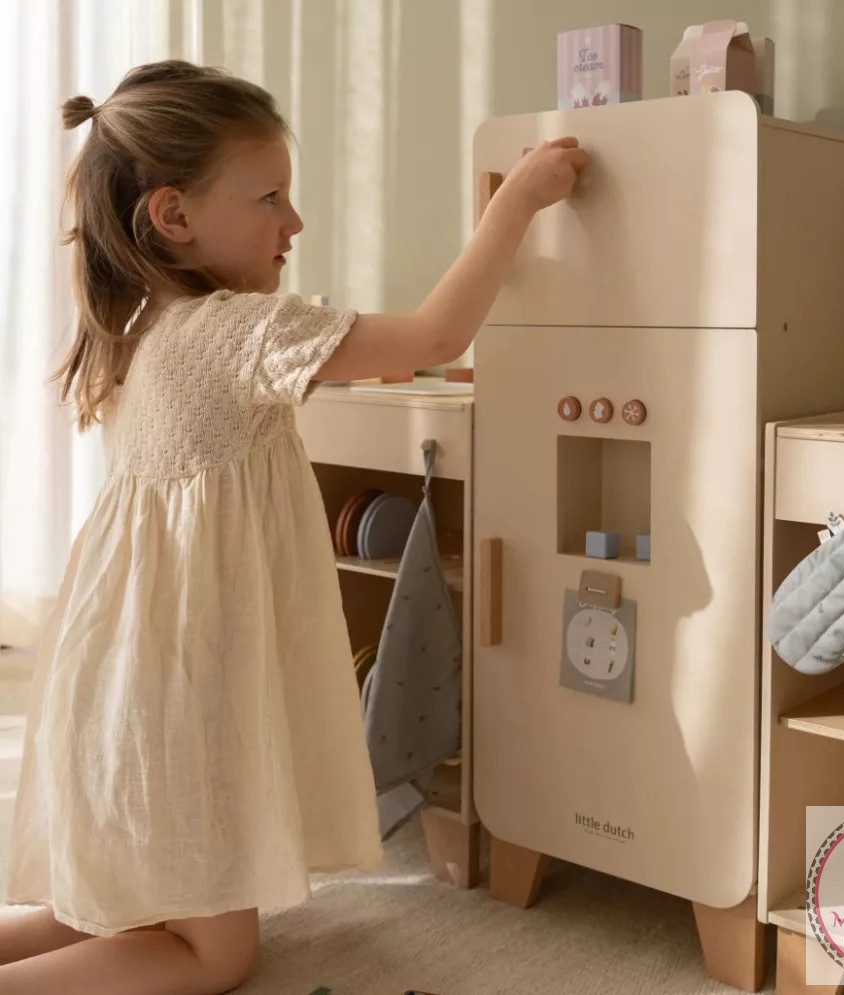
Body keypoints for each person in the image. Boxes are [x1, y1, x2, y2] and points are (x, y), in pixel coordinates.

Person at [0, 60, 586, 994]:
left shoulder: (153, 323)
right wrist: (514, 203)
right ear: (174, 216)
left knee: (112, 909)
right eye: (270, 196)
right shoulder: (238, 329)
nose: (295, 221)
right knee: (213, 953)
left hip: (127, 664)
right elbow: (436, 337)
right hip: (181, 683)